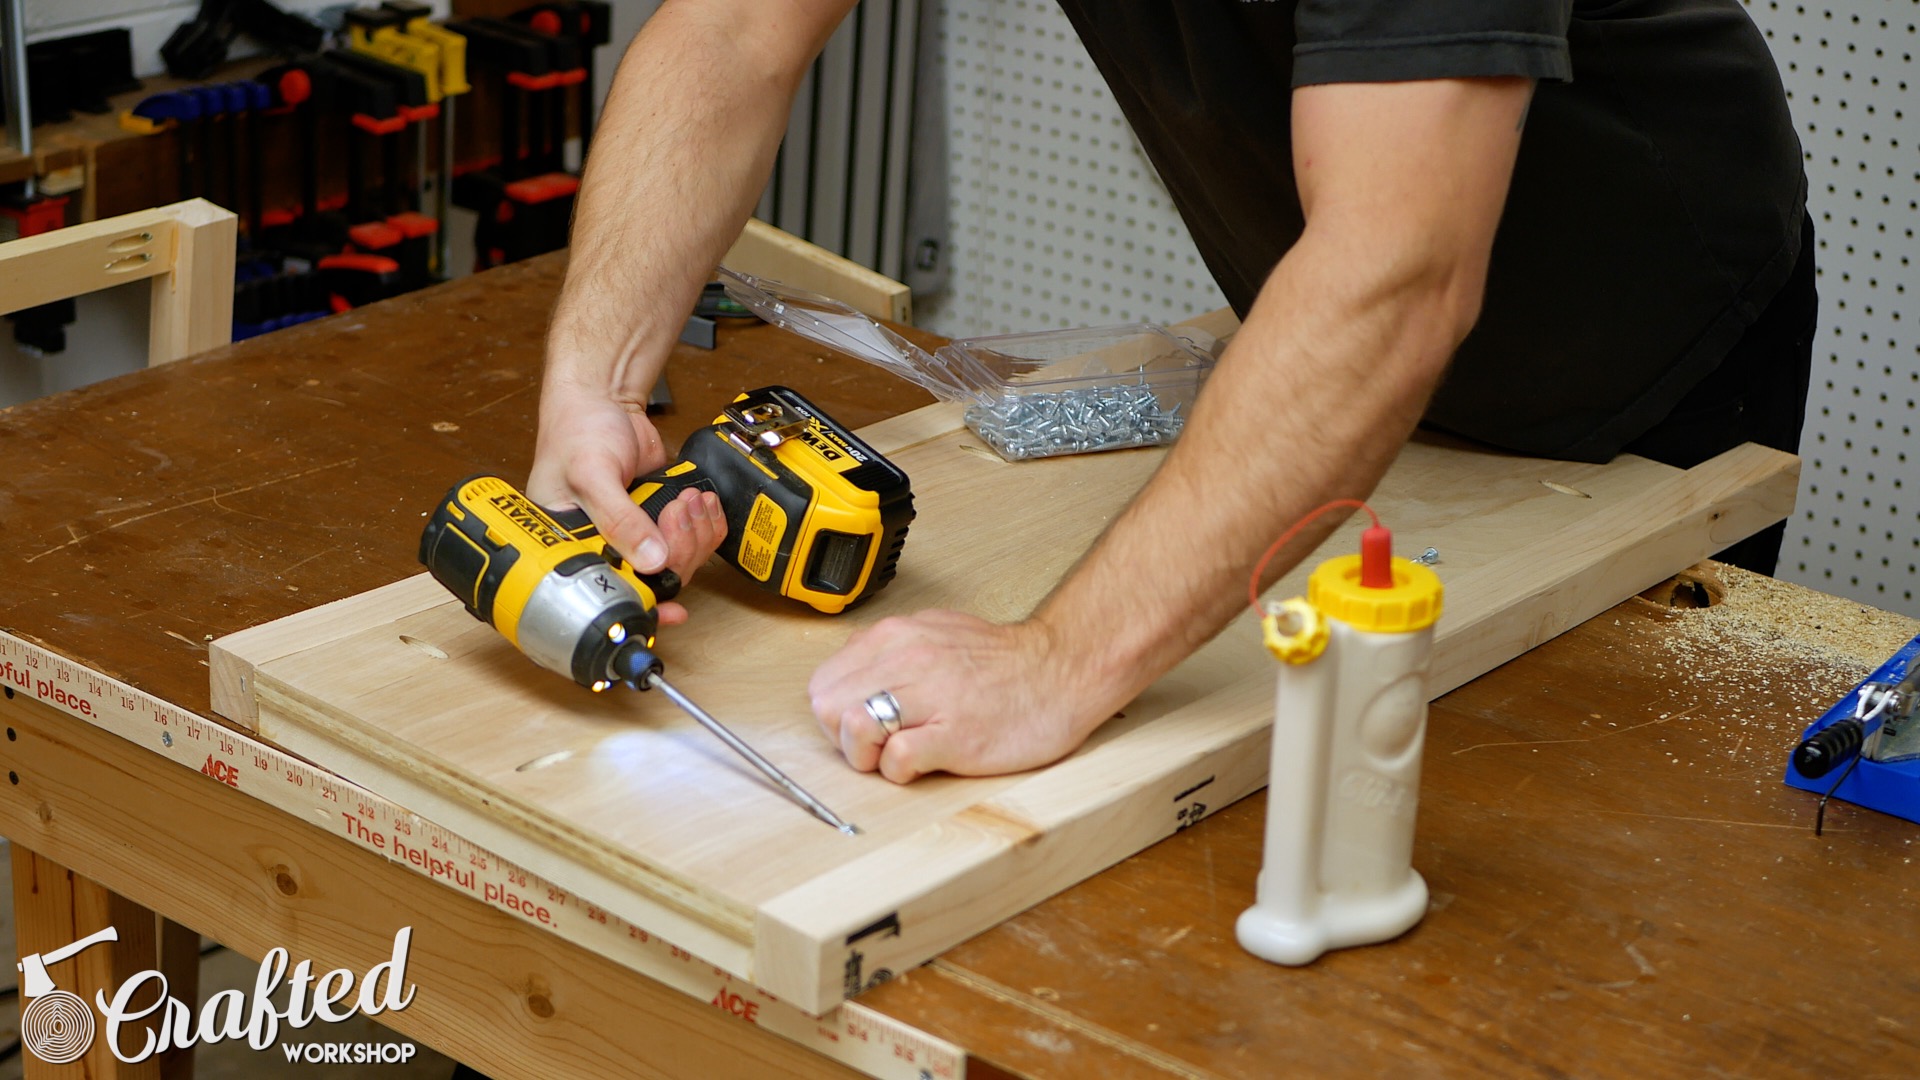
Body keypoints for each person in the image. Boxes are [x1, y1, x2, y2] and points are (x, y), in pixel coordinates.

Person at [529, 0, 1811, 785]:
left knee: (1549, 854)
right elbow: (734, 28)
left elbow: (1400, 273)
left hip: (1640, 369)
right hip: (1345, 315)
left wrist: (1055, 664)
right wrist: (593, 382)